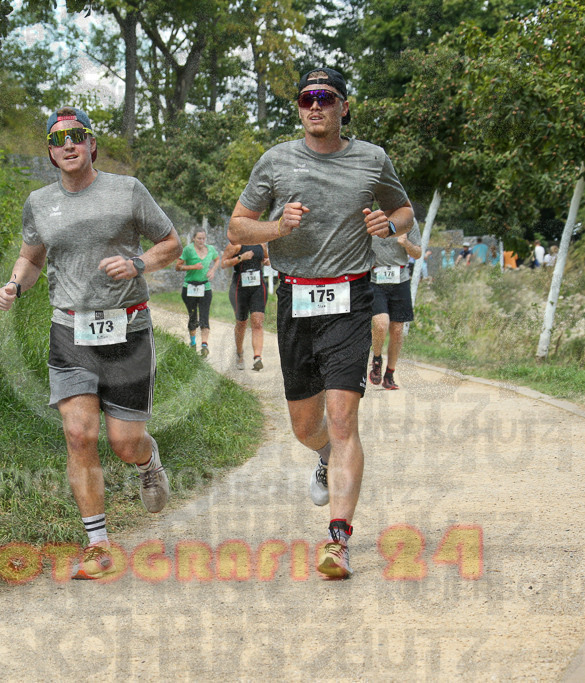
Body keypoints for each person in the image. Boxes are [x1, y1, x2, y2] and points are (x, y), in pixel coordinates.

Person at [228, 67, 414, 579]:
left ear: (343, 106)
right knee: (306, 427)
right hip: (293, 300)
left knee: (342, 417)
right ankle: (326, 458)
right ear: (299, 106)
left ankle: (338, 540)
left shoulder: (372, 159)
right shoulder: (276, 161)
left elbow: (404, 211)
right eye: (307, 98)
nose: (315, 106)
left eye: (325, 97)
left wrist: (389, 224)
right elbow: (237, 225)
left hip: (351, 298)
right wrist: (276, 226)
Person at [0, 107, 181, 580]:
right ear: (51, 153)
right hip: (70, 331)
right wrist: (16, 284)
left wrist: (139, 264)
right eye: (59, 140)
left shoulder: (127, 191)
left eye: (78, 136)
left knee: (124, 441)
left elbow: (171, 244)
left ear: (92, 144)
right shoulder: (39, 203)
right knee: (79, 435)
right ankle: (99, 546)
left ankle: (147, 460)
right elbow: (31, 259)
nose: (69, 144)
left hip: (128, 330)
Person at [369, 221, 422, 390]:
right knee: (380, 324)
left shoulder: (408, 222)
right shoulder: (373, 219)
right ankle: (377, 359)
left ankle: (389, 374)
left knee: (397, 330)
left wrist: (405, 243)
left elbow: (418, 253)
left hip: (400, 278)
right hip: (374, 279)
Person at [223, 240, 270, 370]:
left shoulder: (261, 244)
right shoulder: (235, 245)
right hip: (239, 288)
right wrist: (240, 258)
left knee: (257, 322)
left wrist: (267, 261)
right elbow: (223, 263)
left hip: (258, 287)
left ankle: (257, 357)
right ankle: (239, 354)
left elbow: (267, 259)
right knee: (241, 323)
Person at [176, 228, 219, 356]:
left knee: (205, 316)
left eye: (203, 238)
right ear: (194, 238)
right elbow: (178, 267)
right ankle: (193, 343)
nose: (201, 241)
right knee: (193, 316)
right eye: (199, 238)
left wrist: (212, 270)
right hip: (190, 287)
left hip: (205, 287)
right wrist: (192, 267)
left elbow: (217, 260)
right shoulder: (188, 250)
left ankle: (204, 345)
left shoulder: (210, 249)